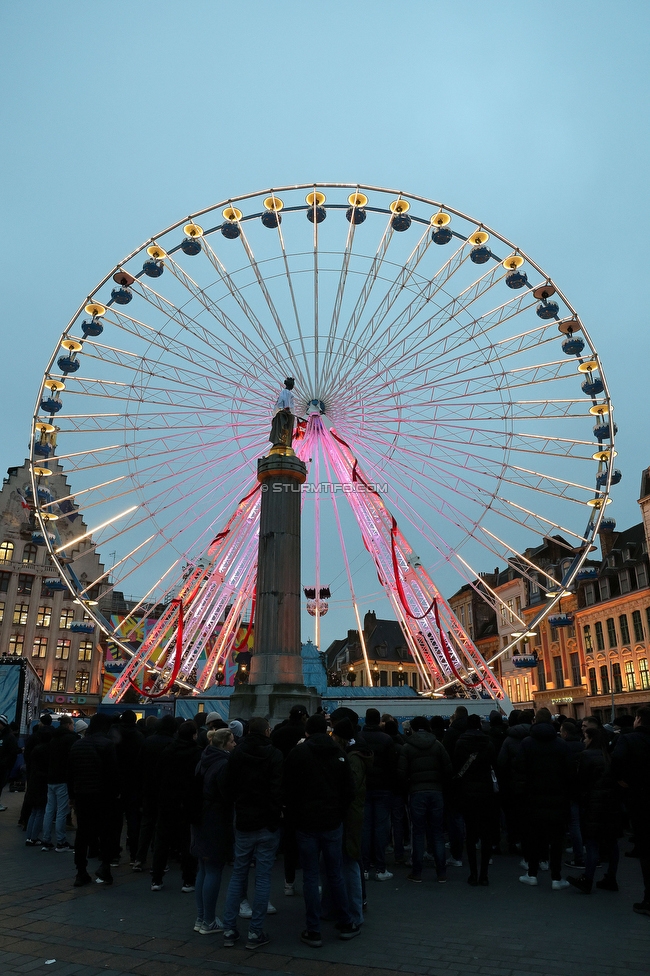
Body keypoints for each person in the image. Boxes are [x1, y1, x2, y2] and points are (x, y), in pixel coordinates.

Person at [284, 713, 359, 948]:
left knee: (310, 876)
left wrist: (294, 815)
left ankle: (313, 929)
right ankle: (346, 922)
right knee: (335, 873)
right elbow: (349, 789)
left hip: (306, 823)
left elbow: (288, 788)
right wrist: (339, 812)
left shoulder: (298, 753)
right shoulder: (338, 754)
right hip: (331, 822)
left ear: (307, 731)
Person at [221, 717, 283, 951]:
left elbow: (227, 784)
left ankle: (229, 928)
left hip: (244, 818)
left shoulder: (237, 753)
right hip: (267, 821)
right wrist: (276, 813)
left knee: (238, 874)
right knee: (264, 877)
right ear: (267, 731)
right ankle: (255, 932)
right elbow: (278, 789)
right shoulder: (275, 754)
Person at [517, 707, 571, 889]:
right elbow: (568, 773)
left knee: (533, 837)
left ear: (534, 721)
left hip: (532, 798)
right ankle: (556, 877)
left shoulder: (526, 743)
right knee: (556, 840)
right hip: (557, 798)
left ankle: (532, 873)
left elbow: (520, 772)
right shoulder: (561, 744)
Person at [191, 727, 235, 934]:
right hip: (215, 819)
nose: (234, 745)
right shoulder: (224, 764)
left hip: (199, 817)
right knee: (214, 869)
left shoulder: (202, 760)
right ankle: (209, 919)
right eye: (232, 741)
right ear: (224, 743)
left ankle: (201, 917)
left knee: (203, 868)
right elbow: (227, 794)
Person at [67, 712, 120, 886]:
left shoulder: (77, 745)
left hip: (82, 795)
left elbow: (71, 774)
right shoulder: (107, 745)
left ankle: (80, 871)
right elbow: (113, 774)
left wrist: (72, 796)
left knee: (82, 833)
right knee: (106, 832)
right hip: (103, 796)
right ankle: (105, 867)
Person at [398, 716, 451, 884]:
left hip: (416, 792)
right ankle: (441, 871)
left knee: (418, 832)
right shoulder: (437, 745)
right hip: (436, 791)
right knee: (437, 832)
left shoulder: (407, 747)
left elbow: (401, 772)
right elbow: (448, 769)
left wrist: (408, 785)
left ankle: (417, 871)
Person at [568, 725, 621, 894]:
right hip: (611, 805)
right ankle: (611, 877)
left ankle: (587, 877)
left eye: (585, 737)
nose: (583, 740)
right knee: (612, 842)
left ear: (590, 739)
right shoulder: (610, 756)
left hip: (593, 805)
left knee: (592, 842)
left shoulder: (586, 756)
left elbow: (580, 781)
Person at [150, 721, 201, 892]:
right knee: (187, 842)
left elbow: (157, 776)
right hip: (188, 802)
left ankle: (156, 879)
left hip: (167, 801)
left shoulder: (168, 751)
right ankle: (188, 880)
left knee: (162, 841)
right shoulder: (197, 753)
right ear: (194, 734)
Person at [332, 718, 372, 930]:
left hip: (350, 814)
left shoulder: (352, 759)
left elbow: (351, 787)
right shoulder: (355, 755)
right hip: (351, 813)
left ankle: (354, 913)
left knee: (350, 862)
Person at [611, 705, 650, 916]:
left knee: (646, 849)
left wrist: (621, 780)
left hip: (640, 798)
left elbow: (616, 761)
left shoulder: (629, 740)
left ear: (639, 720)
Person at [454, 714, 497, 886]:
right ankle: (484, 874)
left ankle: (473, 873)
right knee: (486, 834)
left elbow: (456, 765)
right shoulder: (488, 742)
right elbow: (494, 764)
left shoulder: (460, 742)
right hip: (486, 791)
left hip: (467, 791)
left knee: (470, 834)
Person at [271, 704, 309, 895]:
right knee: (309, 839)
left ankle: (289, 881)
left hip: (285, 791)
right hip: (305, 792)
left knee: (289, 838)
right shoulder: (306, 736)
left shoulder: (278, 734)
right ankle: (311, 882)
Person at [132, 714, 177, 871]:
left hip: (148, 789)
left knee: (146, 824)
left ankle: (139, 858)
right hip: (166, 791)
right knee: (162, 827)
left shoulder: (148, 742)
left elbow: (138, 767)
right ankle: (159, 861)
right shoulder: (172, 743)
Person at [359, 708, 396, 881]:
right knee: (381, 828)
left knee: (365, 828)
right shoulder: (386, 739)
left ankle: (365, 867)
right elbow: (392, 765)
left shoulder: (359, 739)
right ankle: (381, 868)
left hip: (364, 787)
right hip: (383, 787)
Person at [41, 714, 77, 852]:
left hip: (51, 778)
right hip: (63, 779)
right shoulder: (71, 739)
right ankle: (61, 842)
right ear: (68, 725)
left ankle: (46, 840)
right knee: (62, 811)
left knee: (50, 810)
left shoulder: (53, 739)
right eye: (72, 725)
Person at [24, 716, 54, 846]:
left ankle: (30, 837)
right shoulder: (48, 751)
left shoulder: (35, 749)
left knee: (34, 811)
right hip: (42, 782)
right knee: (40, 811)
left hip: (34, 781)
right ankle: (34, 837)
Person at [0, 714, 19, 811]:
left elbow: (12, 752)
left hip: (3, 766)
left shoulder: (8, 737)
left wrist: (6, 764)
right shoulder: (8, 736)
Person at [270, 377, 295, 448]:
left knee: (280, 430)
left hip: (281, 413)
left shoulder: (284, 392)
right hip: (284, 414)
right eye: (293, 384)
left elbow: (280, 403)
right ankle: (283, 441)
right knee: (284, 429)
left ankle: (279, 441)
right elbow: (286, 402)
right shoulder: (287, 392)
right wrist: (287, 410)